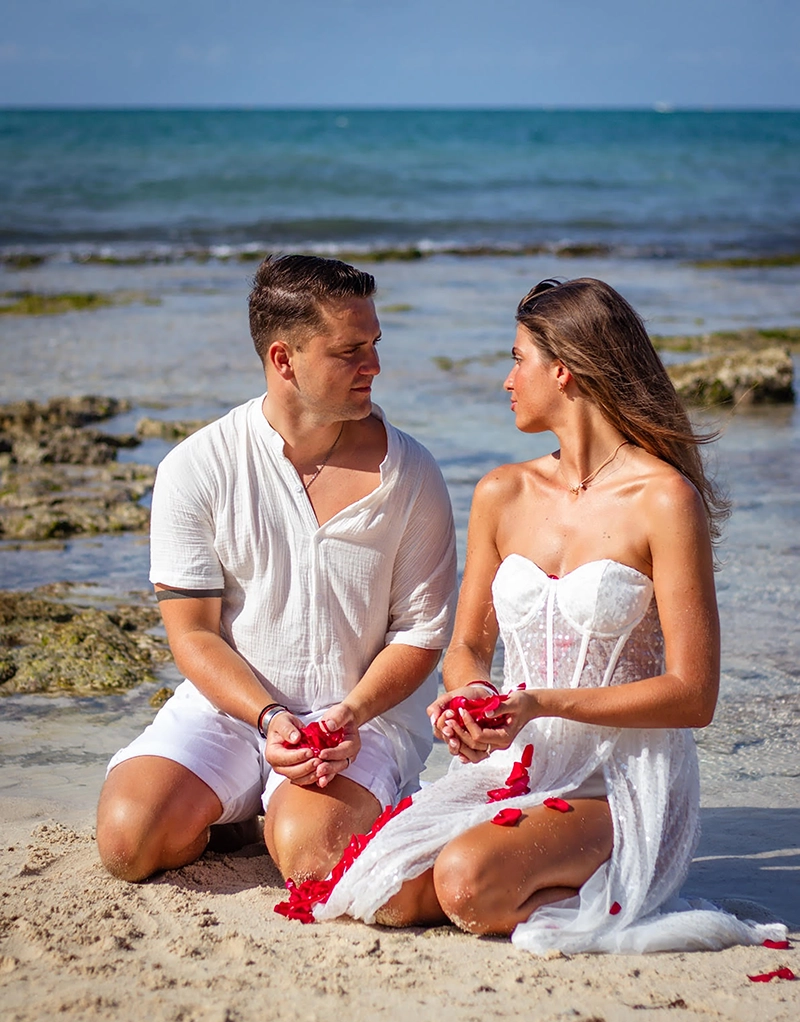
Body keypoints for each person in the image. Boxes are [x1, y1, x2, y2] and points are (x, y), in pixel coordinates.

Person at [309, 277, 786, 953]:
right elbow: (468, 645)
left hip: (622, 778)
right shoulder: (503, 492)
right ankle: (534, 865)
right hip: (525, 763)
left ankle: (614, 876)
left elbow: (694, 694)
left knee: (465, 885)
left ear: (562, 370)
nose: (507, 380)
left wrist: (537, 701)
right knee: (384, 892)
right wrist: (473, 695)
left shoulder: (663, 500)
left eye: (517, 359)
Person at [96, 254, 457, 884]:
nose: (374, 365)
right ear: (283, 359)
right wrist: (266, 717)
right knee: (129, 842)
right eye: (349, 351)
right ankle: (244, 807)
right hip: (233, 711)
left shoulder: (413, 474)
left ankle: (280, 813)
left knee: (312, 857)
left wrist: (349, 714)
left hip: (359, 721)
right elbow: (193, 634)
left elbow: (421, 636)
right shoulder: (198, 467)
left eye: (374, 343)